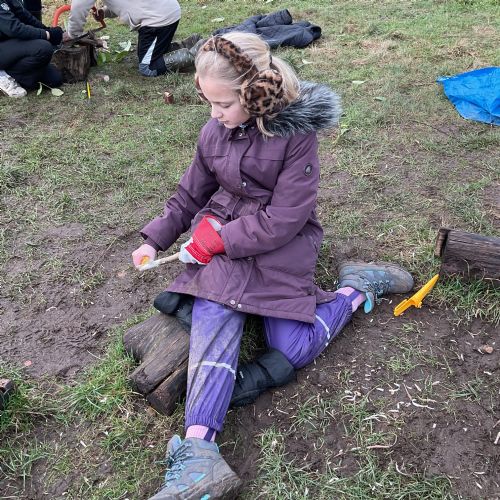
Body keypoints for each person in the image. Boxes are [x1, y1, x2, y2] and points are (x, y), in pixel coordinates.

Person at [132, 32, 414, 500]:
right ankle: (200, 452)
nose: (214, 114)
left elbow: (285, 218)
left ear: (255, 94)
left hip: (278, 246)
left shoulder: (296, 138)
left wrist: (221, 240)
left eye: (223, 104)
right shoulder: (213, 132)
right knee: (216, 306)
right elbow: (190, 192)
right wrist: (154, 238)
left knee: (294, 346)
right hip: (223, 237)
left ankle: (356, 289)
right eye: (208, 102)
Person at [64, 0, 202, 77]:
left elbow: (78, 7)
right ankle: (189, 44)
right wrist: (105, 12)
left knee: (148, 67)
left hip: (157, 20)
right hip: (167, 11)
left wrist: (72, 34)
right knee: (154, 54)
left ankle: (197, 52)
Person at [0, 0, 63, 98]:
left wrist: (46, 29)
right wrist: (47, 35)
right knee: (43, 48)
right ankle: (2, 75)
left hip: (8, 43)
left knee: (55, 79)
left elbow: (23, 15)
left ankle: (10, 73)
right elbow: (14, 28)